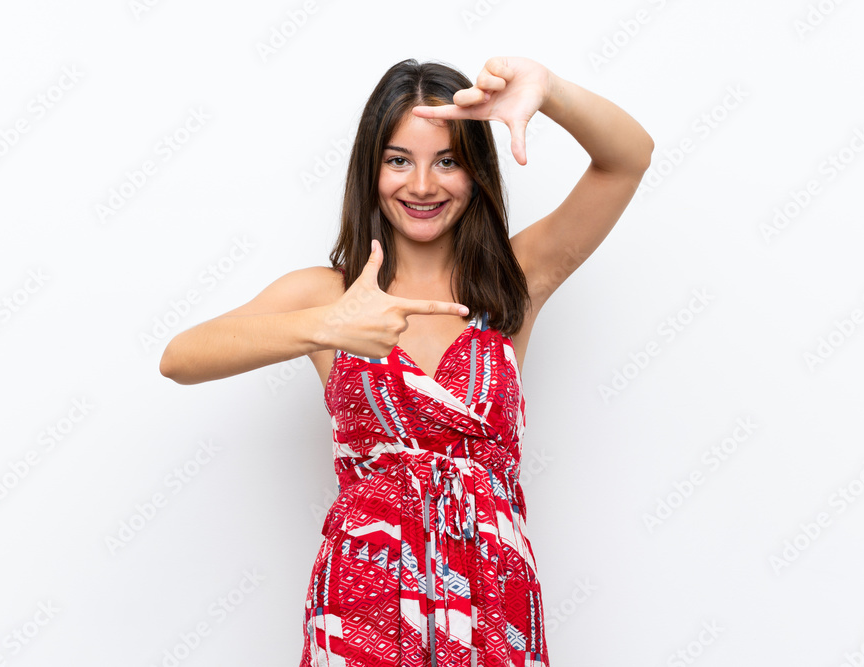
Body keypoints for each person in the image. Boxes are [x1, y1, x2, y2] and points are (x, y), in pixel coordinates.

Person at [160, 55, 652, 667]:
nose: (422, 185)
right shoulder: (328, 295)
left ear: (476, 171)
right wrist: (327, 325)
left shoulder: (513, 281)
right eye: (398, 160)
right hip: (361, 606)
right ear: (370, 169)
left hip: (493, 606)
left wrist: (548, 90)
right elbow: (180, 358)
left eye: (447, 161)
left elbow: (628, 158)